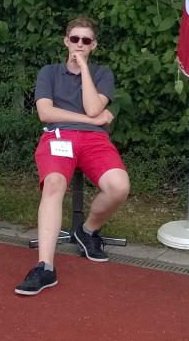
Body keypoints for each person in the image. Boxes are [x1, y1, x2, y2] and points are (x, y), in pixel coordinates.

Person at [14, 17, 130, 296]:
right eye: (75, 39)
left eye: (86, 41)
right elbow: (46, 113)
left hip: (94, 140)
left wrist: (85, 69)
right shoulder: (49, 72)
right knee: (54, 184)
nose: (79, 45)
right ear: (66, 41)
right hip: (58, 136)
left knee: (119, 187)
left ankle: (87, 231)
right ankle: (45, 267)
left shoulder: (102, 73)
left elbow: (93, 108)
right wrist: (92, 120)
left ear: (93, 46)